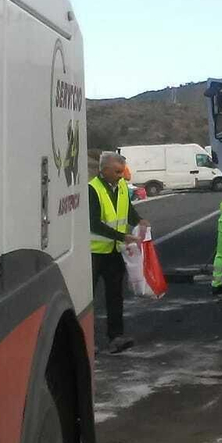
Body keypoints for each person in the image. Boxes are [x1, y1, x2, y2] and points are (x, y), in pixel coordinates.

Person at [90, 151, 148, 353]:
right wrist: (123, 237)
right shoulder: (93, 190)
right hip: (94, 253)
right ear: (104, 170)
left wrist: (138, 220)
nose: (121, 175)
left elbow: (127, 209)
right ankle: (88, 341)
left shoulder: (122, 185)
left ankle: (116, 336)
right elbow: (94, 224)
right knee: (88, 299)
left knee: (115, 295)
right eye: (117, 171)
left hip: (115, 252)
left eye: (122, 171)